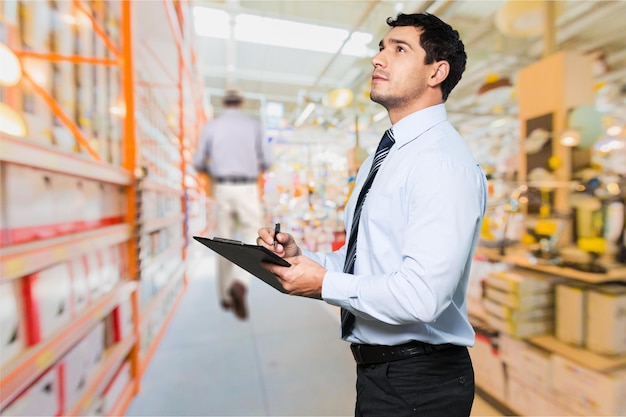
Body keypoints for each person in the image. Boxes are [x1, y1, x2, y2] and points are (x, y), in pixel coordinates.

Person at [257, 13, 487, 417]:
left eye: (399, 49)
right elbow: (368, 259)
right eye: (381, 47)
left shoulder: (441, 163)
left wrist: (324, 284)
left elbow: (421, 298)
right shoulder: (386, 156)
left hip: (421, 382)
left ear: (437, 72)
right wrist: (305, 259)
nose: (378, 59)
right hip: (383, 373)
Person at [193, 87, 273, 320]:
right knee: (253, 235)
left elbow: (198, 161)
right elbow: (267, 160)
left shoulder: (212, 127)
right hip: (247, 186)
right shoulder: (253, 126)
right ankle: (240, 282)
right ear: (242, 102)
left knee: (223, 239)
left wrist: (215, 169)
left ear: (224, 103)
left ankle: (226, 297)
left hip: (223, 187)